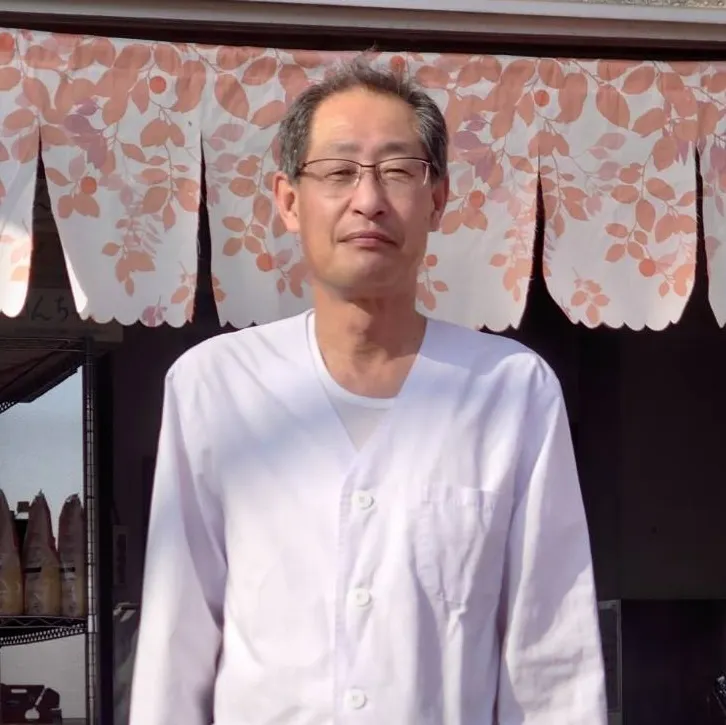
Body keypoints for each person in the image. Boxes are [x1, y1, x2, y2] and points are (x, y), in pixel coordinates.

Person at [129, 59, 607, 725]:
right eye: (339, 171)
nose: (369, 199)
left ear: (437, 198)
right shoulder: (216, 387)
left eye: (398, 170)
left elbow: (550, 655)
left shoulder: (510, 391)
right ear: (289, 201)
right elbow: (176, 643)